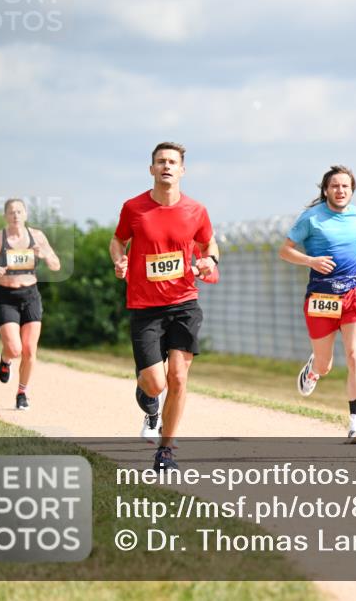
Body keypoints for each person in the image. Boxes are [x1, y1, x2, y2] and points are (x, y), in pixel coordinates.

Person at [110, 141, 218, 471]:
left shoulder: (196, 210)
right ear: (151, 169)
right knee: (156, 383)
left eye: (172, 162)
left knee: (179, 378)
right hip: (145, 305)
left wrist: (208, 260)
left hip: (184, 302)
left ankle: (166, 449)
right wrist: (120, 260)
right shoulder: (134, 208)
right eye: (160, 161)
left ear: (182, 170)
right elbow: (118, 240)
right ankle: (148, 398)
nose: (166, 166)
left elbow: (208, 243)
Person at [280, 165, 356, 443]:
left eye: (345, 186)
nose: (340, 190)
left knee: (355, 355)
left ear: (352, 190)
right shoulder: (311, 218)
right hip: (321, 297)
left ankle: (355, 424)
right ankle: (314, 369)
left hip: (353, 292)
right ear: (325, 190)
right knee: (326, 364)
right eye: (335, 186)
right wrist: (311, 261)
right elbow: (285, 251)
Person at [0, 198, 61, 410]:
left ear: (26, 215)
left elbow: (56, 265)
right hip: (6, 297)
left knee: (30, 350)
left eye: (19, 211)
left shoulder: (37, 236)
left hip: (30, 296)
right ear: (5, 216)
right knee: (14, 349)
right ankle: (5, 360)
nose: (16, 215)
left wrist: (44, 255)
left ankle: (22, 393)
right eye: (11, 212)